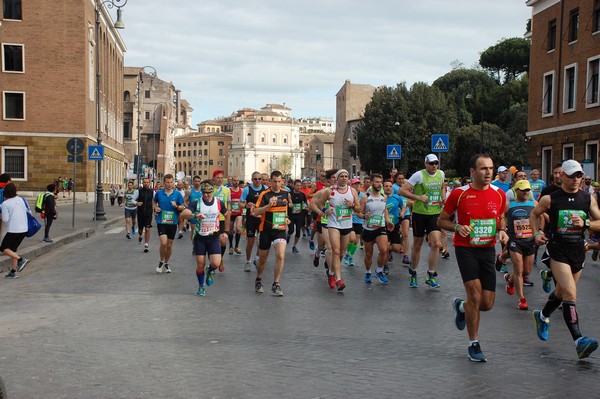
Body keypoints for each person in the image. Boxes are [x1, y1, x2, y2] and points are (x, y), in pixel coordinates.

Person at [438, 154, 508, 362]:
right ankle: (473, 343)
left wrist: (502, 230)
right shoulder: (459, 194)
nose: (488, 172)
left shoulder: (499, 194)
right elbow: (442, 220)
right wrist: (458, 227)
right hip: (465, 248)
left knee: (486, 304)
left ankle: (461, 306)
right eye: (483, 169)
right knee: (475, 296)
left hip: (487, 249)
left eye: (491, 168)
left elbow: (501, 217)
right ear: (472, 172)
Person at [530, 159, 600, 359]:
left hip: (578, 249)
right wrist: (536, 234)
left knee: (561, 291)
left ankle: (542, 316)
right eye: (572, 176)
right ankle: (579, 341)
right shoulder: (550, 199)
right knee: (570, 292)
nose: (576, 179)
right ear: (562, 177)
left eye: (579, 175)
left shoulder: (587, 199)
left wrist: (586, 222)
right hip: (557, 248)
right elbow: (534, 215)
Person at [399, 154, 446, 288]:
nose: (434, 166)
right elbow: (402, 191)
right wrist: (418, 197)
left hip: (434, 213)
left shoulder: (441, 174)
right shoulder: (418, 175)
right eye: (431, 163)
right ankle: (413, 272)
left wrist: (443, 199)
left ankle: (430, 274)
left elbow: (442, 187)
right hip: (420, 214)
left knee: (436, 243)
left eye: (436, 163)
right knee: (418, 245)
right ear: (425, 163)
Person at [311, 169, 361, 291]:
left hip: (346, 225)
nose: (344, 178)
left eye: (346, 176)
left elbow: (359, 208)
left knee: (342, 253)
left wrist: (353, 206)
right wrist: (324, 211)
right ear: (336, 179)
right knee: (335, 251)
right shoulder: (329, 191)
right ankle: (339, 279)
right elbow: (319, 203)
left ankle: (332, 273)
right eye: (341, 176)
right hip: (333, 224)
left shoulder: (352, 191)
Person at [180, 181, 229, 296]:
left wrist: (226, 232)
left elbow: (227, 215)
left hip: (213, 237)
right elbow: (184, 214)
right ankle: (201, 286)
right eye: (204, 192)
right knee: (200, 264)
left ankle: (210, 270)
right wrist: (194, 215)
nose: (206, 195)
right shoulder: (196, 203)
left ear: (213, 192)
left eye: (208, 193)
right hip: (200, 237)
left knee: (216, 263)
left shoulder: (219, 203)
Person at [252, 170, 292, 296]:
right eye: (274, 181)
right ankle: (259, 278)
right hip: (266, 230)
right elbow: (256, 212)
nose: (277, 184)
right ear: (270, 181)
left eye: (279, 181)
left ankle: (276, 283)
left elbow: (285, 208)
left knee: (280, 255)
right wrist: (268, 206)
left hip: (280, 230)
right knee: (263, 259)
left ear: (282, 182)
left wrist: (286, 217)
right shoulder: (264, 194)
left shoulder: (286, 193)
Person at [503, 179, 538, 310]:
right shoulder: (508, 205)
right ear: (516, 191)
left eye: (528, 190)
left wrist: (540, 231)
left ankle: (510, 279)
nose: (526, 192)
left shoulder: (534, 203)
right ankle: (522, 299)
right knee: (518, 269)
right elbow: (500, 217)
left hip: (530, 241)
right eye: (523, 190)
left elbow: (543, 216)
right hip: (515, 241)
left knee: (526, 271)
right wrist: (502, 230)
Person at [360, 174, 392, 284]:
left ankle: (379, 271)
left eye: (380, 182)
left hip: (380, 227)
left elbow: (385, 212)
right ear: (372, 183)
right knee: (369, 253)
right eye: (377, 182)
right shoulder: (365, 197)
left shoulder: (384, 197)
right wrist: (364, 216)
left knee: (384, 250)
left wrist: (388, 221)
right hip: (368, 229)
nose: (379, 184)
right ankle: (368, 272)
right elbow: (358, 213)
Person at [153, 174, 185, 273]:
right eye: (167, 182)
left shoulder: (177, 194)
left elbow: (182, 207)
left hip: (172, 222)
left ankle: (166, 263)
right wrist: (156, 207)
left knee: (169, 245)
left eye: (171, 182)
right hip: (161, 221)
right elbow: (153, 202)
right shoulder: (159, 193)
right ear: (164, 183)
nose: (169, 184)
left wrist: (177, 206)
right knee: (163, 242)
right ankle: (161, 261)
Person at [0, 182, 30, 279]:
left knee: (3, 248)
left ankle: (21, 260)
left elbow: (5, 219)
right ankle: (12, 271)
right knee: (13, 249)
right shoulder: (21, 200)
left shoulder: (5, 204)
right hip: (24, 229)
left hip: (13, 229)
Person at [240, 172, 268, 272]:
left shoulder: (265, 189)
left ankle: (256, 258)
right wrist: (245, 205)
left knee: (261, 241)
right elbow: (240, 202)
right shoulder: (247, 189)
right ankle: (248, 261)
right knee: (250, 242)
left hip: (262, 219)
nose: (257, 181)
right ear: (252, 180)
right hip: (251, 219)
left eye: (259, 179)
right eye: (255, 179)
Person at [383, 179, 404, 275]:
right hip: (383, 225)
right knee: (385, 247)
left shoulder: (397, 197)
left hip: (395, 224)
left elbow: (403, 206)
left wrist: (402, 212)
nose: (388, 188)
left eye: (390, 186)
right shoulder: (380, 198)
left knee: (396, 248)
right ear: (383, 188)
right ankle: (385, 265)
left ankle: (390, 252)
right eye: (386, 186)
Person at [212, 170, 231, 272]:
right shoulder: (211, 189)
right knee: (213, 241)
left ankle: (221, 259)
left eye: (221, 178)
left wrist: (229, 211)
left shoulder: (227, 190)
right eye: (218, 177)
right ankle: (214, 261)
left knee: (223, 240)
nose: (220, 180)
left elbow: (228, 203)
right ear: (213, 178)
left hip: (223, 218)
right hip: (212, 219)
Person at [287, 179, 308, 253]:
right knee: (291, 230)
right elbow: (285, 203)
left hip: (300, 215)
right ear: (294, 186)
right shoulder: (289, 194)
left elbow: (306, 203)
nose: (299, 187)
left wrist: (307, 207)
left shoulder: (302, 195)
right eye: (297, 185)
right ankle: (288, 235)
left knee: (298, 232)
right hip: (291, 215)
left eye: (300, 185)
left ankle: (294, 246)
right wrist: (289, 205)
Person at [136, 177, 154, 253]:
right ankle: (140, 235)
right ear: (142, 183)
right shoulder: (138, 191)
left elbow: (154, 201)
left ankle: (146, 245)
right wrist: (137, 203)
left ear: (149, 183)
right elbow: (132, 200)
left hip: (149, 213)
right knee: (140, 229)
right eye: (144, 182)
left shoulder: (152, 192)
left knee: (147, 229)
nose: (146, 183)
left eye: (147, 182)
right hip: (140, 213)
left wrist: (156, 208)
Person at [227, 176, 243, 255]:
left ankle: (237, 246)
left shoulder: (241, 190)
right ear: (232, 181)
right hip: (231, 213)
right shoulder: (229, 191)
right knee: (230, 230)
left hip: (239, 213)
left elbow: (244, 200)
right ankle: (230, 246)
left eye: (237, 180)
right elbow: (228, 201)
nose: (236, 182)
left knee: (238, 228)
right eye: (235, 181)